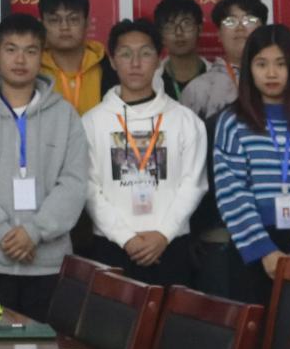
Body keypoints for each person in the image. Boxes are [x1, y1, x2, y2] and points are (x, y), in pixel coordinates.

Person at [0, 14, 90, 321]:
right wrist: (1, 232)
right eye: (11, 49)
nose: (20, 60)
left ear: (42, 57)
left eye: (30, 51)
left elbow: (74, 183)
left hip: (49, 265)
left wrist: (34, 231)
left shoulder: (65, 115)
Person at [211, 25, 290, 305]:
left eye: (280, 64)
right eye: (262, 64)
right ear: (249, 69)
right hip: (251, 249)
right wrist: (264, 251)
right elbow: (231, 191)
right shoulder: (232, 122)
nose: (271, 73)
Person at [80, 19, 208, 288]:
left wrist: (163, 234)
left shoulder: (185, 120)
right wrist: (126, 238)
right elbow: (89, 188)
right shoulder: (91, 122)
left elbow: (193, 185)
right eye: (126, 54)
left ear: (159, 59)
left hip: (171, 246)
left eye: (145, 53)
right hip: (112, 247)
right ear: (112, 61)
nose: (135, 63)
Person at [179, 0, 268, 119]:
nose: (240, 28)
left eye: (249, 20)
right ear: (219, 34)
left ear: (263, 30)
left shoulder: (278, 81)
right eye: (230, 21)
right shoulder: (198, 89)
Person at [38, 0, 118, 116]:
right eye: (54, 20)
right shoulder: (33, 70)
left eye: (73, 19)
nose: (64, 27)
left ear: (87, 23)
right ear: (42, 25)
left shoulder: (109, 68)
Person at [153, 0, 210, 102]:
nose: (179, 32)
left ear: (199, 29)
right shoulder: (151, 81)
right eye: (170, 25)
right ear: (160, 34)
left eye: (186, 24)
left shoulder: (219, 77)